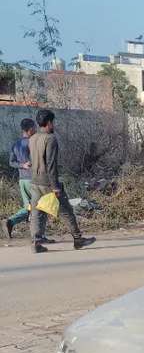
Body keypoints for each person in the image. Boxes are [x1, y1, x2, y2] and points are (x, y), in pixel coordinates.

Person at [29, 108, 95, 253]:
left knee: (36, 212)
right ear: (49, 122)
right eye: (53, 122)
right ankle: (78, 239)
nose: (54, 125)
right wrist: (56, 187)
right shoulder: (51, 139)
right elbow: (51, 165)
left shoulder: (32, 138)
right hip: (48, 182)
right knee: (66, 210)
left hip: (34, 181)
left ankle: (36, 243)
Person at [5, 118, 51, 242]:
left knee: (30, 207)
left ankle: (10, 221)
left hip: (22, 180)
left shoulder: (16, 144)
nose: (36, 130)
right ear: (30, 129)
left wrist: (22, 165)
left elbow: (11, 162)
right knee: (42, 207)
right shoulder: (33, 142)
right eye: (34, 128)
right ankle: (39, 236)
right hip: (34, 180)